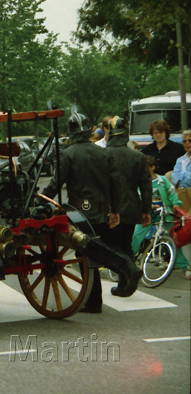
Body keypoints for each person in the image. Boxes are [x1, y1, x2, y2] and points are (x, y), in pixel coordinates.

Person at [42, 111, 140, 313]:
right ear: (88, 131)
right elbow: (116, 185)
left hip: (80, 211)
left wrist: (42, 199)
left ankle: (95, 301)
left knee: (87, 254)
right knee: (102, 249)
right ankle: (126, 270)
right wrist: (114, 211)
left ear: (71, 132)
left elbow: (55, 184)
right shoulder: (104, 153)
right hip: (102, 209)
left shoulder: (68, 154)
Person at [105, 116, 152, 264]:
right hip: (131, 207)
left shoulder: (102, 155)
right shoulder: (138, 156)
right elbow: (146, 187)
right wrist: (146, 211)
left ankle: (125, 277)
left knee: (113, 246)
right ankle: (129, 274)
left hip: (109, 208)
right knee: (126, 244)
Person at [131, 155, 182, 254]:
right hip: (147, 214)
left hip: (164, 214)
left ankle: (181, 264)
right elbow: (136, 198)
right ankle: (130, 257)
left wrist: (175, 204)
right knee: (135, 236)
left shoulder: (162, 180)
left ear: (152, 167)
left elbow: (171, 192)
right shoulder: (138, 182)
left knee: (173, 237)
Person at [172, 129, 191, 279]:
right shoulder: (180, 160)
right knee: (182, 228)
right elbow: (174, 178)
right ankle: (184, 263)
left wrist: (182, 176)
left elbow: (181, 177)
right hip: (182, 194)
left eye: (189, 141)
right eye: (184, 141)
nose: (187, 144)